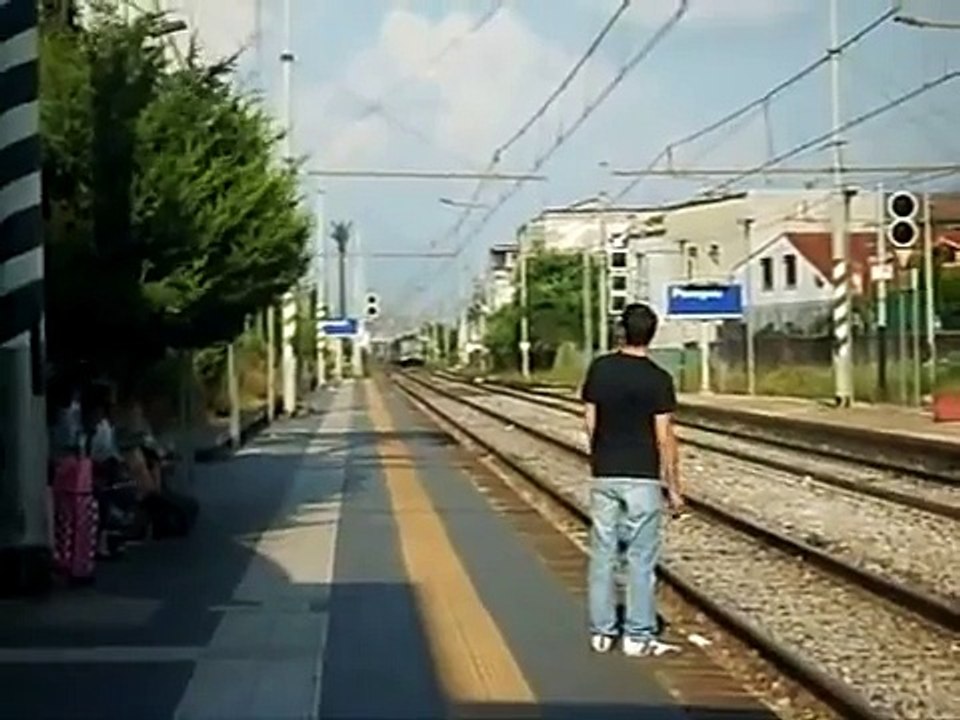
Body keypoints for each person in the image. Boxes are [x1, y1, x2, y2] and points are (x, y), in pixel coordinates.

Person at [579, 302, 683, 657]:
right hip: (642, 477)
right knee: (640, 559)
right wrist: (674, 487)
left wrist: (601, 453)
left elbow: (589, 421)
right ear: (652, 334)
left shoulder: (600, 369)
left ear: (621, 332)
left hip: (605, 473)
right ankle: (638, 636)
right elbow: (664, 437)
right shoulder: (658, 379)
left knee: (603, 554)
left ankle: (601, 632)